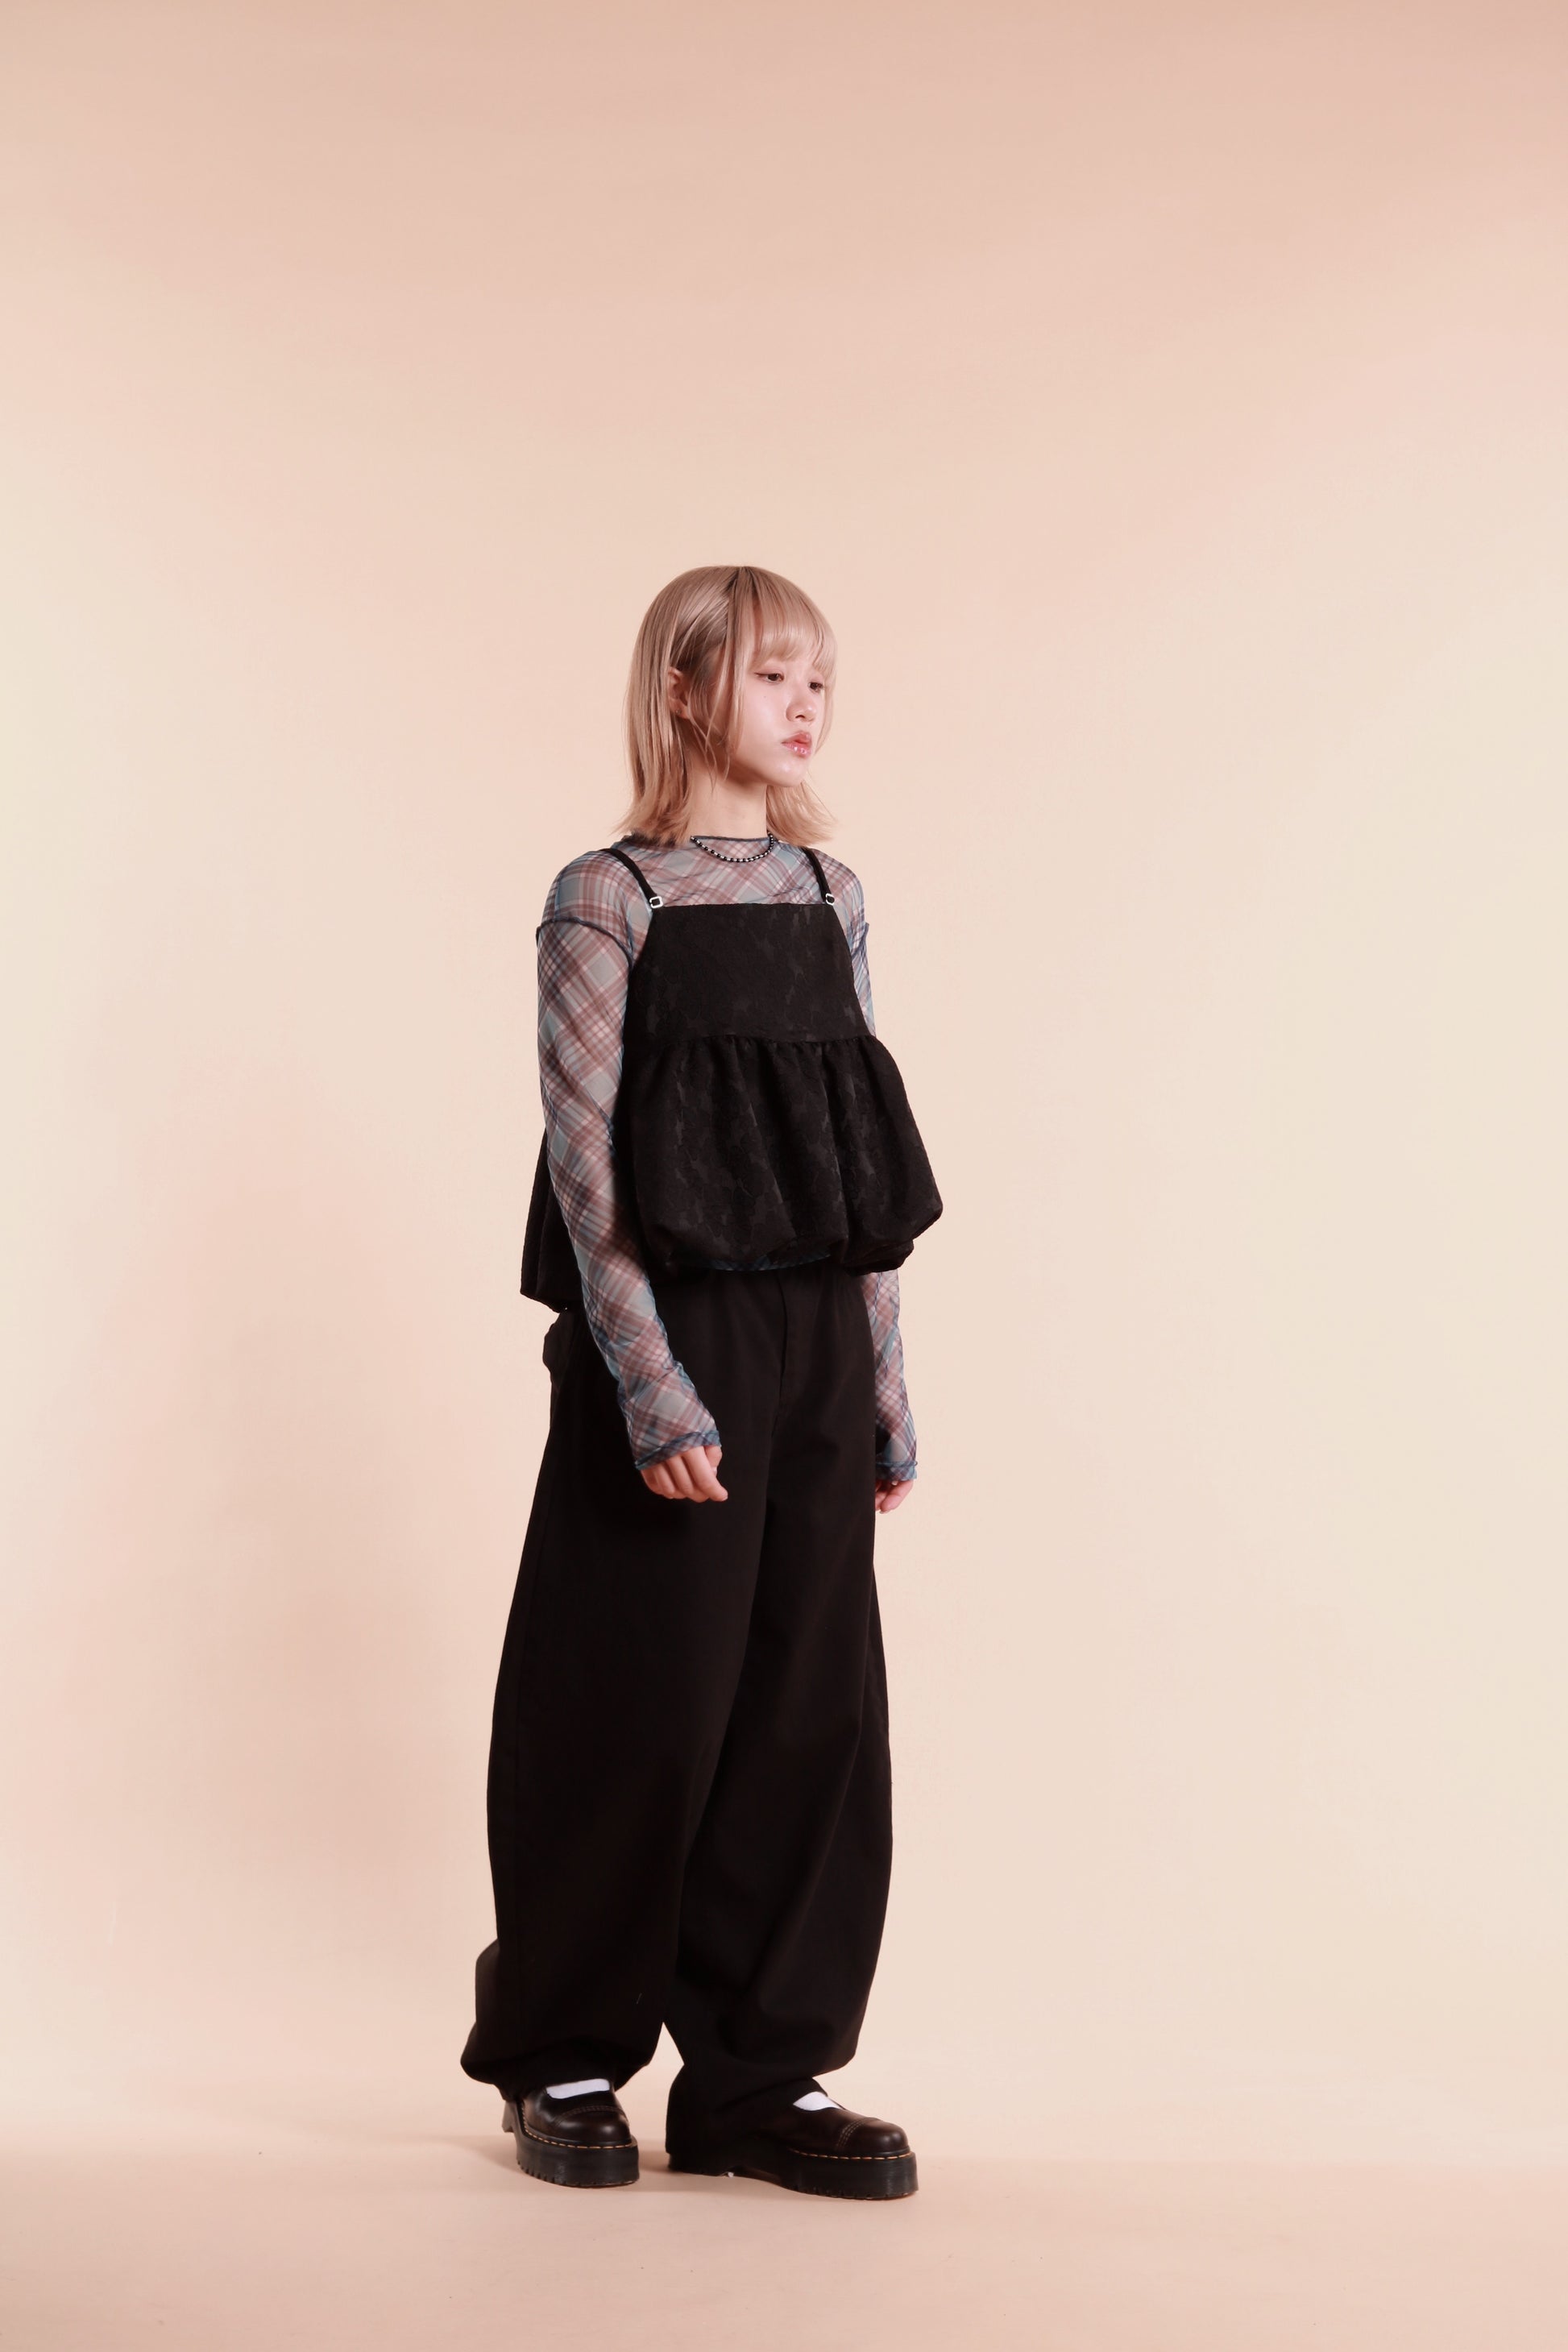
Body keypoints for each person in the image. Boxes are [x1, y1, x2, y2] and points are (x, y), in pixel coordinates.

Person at [460, 565, 941, 2201]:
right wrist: (650, 1381)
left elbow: (855, 1163)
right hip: (666, 1333)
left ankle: (758, 2073)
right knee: (631, 1694)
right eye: (772, 674)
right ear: (683, 688)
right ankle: (564, 2051)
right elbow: (586, 1162)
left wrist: (881, 1376)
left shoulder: (826, 890)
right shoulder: (609, 898)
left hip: (816, 1337)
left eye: (821, 679)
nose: (807, 706)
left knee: (809, 1703)